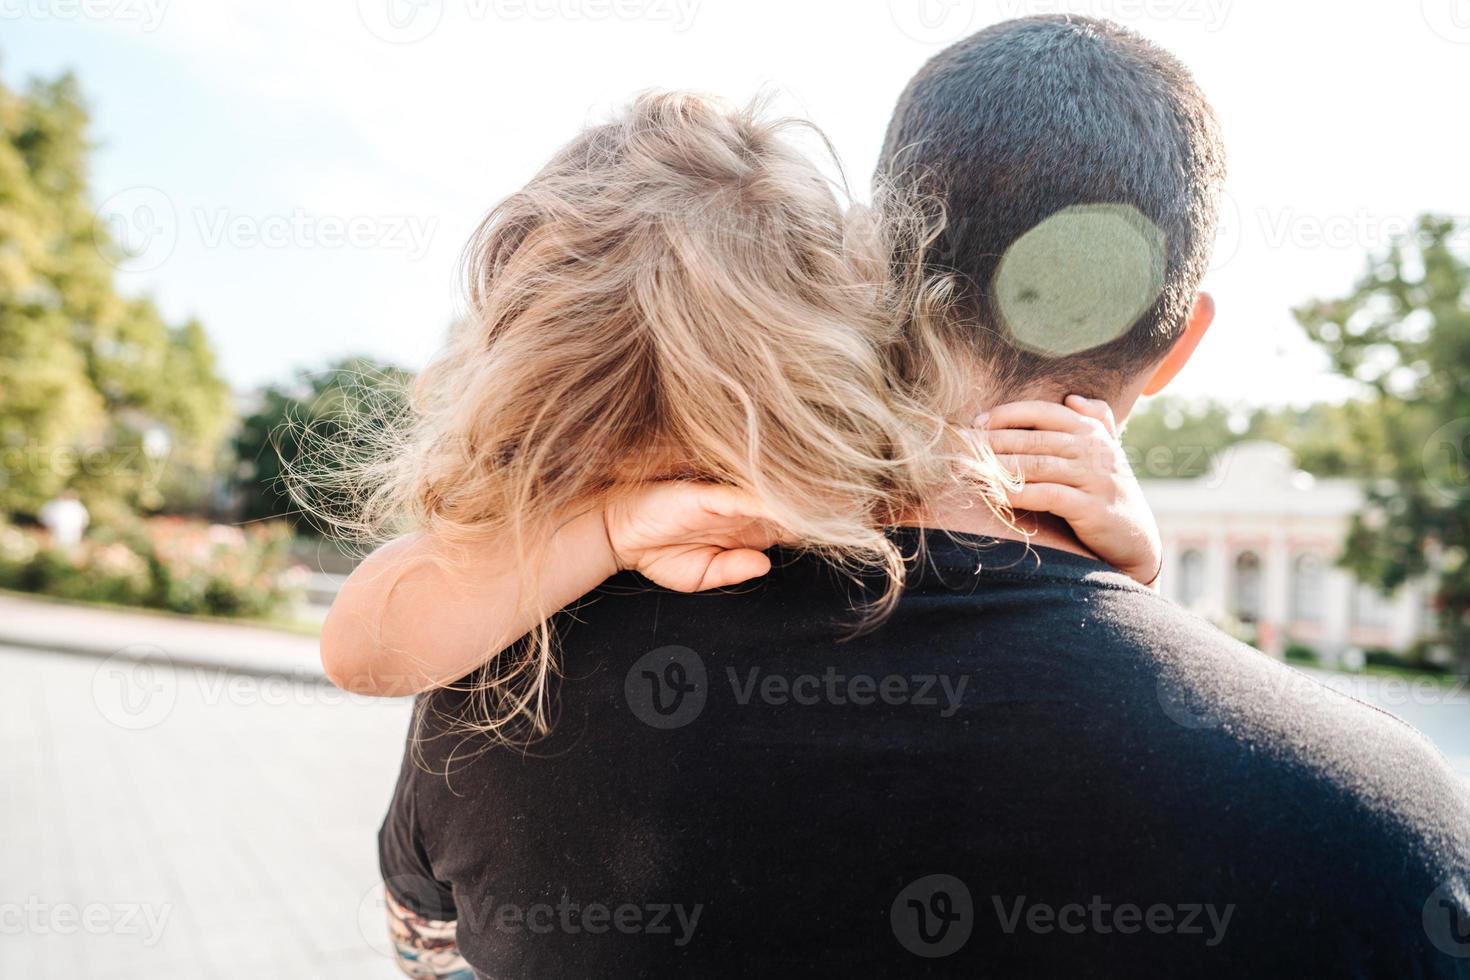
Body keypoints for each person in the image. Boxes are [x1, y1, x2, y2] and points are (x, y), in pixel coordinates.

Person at [338, 17, 1470, 979]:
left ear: (872, 264)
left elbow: (422, 931)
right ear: (1177, 346)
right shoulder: (1396, 834)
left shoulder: (507, 676)